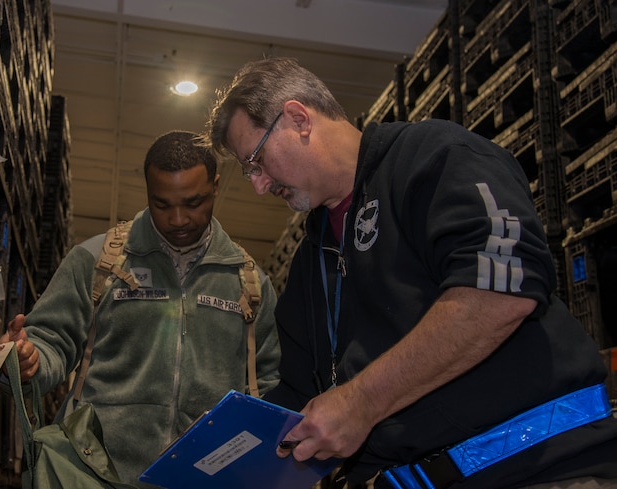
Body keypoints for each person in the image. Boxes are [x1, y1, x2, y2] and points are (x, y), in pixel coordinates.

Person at [204, 57, 617, 489]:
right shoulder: (314, 256)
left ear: (298, 118)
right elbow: (297, 396)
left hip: (542, 470)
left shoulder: (436, 157)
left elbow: (501, 290)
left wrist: (360, 401)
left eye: (256, 161)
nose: (258, 184)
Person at [0, 131, 280, 487]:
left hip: (204, 478)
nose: (178, 219)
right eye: (161, 204)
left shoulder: (250, 283)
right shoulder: (97, 261)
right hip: (97, 473)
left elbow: (270, 384)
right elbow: (51, 340)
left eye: (193, 202)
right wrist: (28, 360)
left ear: (215, 186)